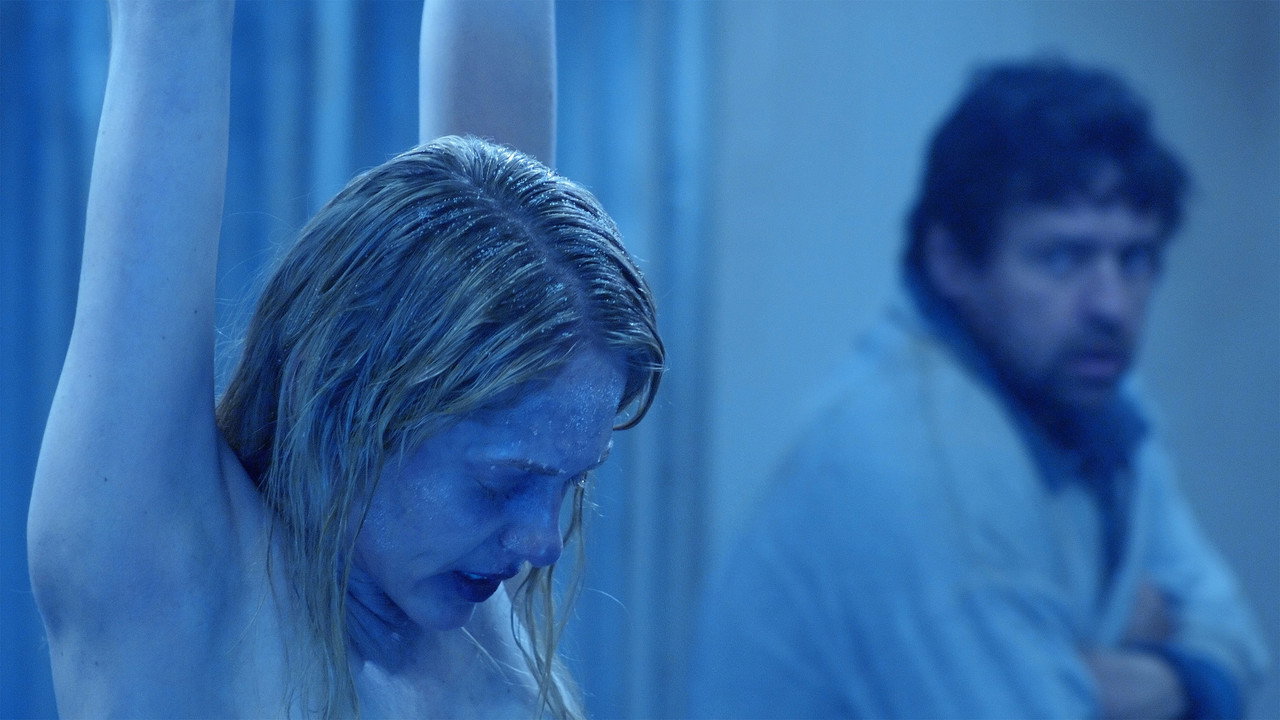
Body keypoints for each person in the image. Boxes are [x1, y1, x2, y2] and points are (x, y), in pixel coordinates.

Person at [26, 1, 662, 718]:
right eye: (500, 484)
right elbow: (174, 33)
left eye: (571, 481)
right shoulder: (166, 579)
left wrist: (506, 482)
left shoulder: (462, 570)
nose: (542, 544)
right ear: (347, 403)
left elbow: (501, 201)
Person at [690, 58, 1267, 719]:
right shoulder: (924, 464)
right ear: (952, 262)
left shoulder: (1099, 400)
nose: (1111, 304)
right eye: (1063, 257)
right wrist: (1158, 649)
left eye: (1135, 258)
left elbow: (1239, 643)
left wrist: (1170, 683)